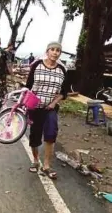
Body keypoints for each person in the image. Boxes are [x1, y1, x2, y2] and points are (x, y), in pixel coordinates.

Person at [25, 41, 68, 180]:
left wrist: (53, 103)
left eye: (58, 51)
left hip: (50, 108)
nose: (55, 53)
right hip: (35, 107)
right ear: (47, 51)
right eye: (53, 50)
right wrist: (28, 103)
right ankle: (36, 160)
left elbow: (64, 92)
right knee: (35, 135)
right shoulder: (37, 65)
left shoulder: (62, 70)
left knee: (50, 134)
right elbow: (28, 86)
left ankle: (47, 165)